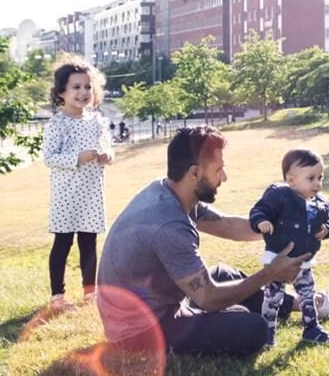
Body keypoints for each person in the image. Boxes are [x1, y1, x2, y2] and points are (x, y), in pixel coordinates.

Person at [96, 126, 309, 356]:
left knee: (226, 275)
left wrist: (286, 229)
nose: (224, 177)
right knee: (253, 329)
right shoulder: (168, 224)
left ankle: (306, 304)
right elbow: (207, 297)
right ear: (194, 173)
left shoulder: (172, 191)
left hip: (157, 302)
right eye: (219, 170)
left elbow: (227, 225)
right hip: (140, 331)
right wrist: (269, 274)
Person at [41, 57, 113, 310]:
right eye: (76, 87)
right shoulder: (58, 124)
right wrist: (77, 158)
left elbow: (108, 152)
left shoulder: (97, 121)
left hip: (91, 194)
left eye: (87, 87)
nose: (83, 92)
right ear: (61, 92)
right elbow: (49, 158)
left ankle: (90, 292)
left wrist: (106, 157)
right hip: (66, 195)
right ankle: (57, 297)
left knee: (89, 243)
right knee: (62, 243)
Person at [250, 149, 329, 346]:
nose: (317, 184)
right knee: (273, 299)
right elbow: (259, 210)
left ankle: (311, 328)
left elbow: (328, 222)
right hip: (277, 260)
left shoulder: (321, 203)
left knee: (307, 296)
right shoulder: (279, 196)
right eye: (311, 178)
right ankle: (267, 333)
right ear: (291, 180)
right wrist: (261, 221)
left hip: (303, 261)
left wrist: (327, 230)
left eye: (320, 177)